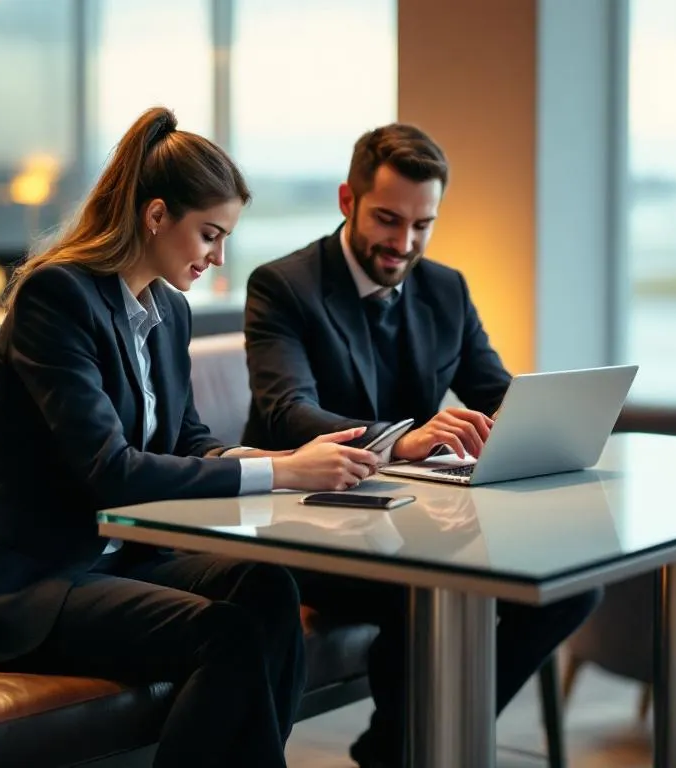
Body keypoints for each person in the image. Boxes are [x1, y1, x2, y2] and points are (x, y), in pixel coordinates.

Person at [0, 107, 380, 768]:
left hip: (118, 559)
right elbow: (112, 470)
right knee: (225, 635)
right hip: (34, 582)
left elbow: (189, 439)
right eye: (209, 234)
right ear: (156, 215)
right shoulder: (57, 298)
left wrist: (280, 459)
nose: (218, 257)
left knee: (267, 587)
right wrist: (283, 475)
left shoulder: (168, 312)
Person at [241, 123, 601, 767]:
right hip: (307, 521)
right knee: (426, 591)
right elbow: (287, 411)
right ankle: (416, 746)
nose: (403, 243)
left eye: (422, 224)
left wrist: (543, 426)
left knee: (574, 583)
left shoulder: (445, 288)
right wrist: (400, 441)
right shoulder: (283, 286)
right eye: (387, 219)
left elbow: (493, 391)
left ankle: (402, 745)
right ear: (348, 200)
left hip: (415, 520)